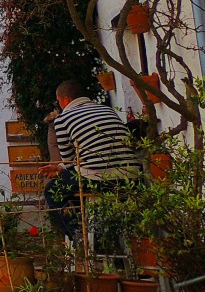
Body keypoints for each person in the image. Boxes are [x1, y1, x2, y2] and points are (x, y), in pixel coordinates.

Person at [38, 79, 142, 239]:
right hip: (132, 176)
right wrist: (61, 168)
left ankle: (78, 234)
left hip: (97, 178)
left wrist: (61, 168)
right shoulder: (107, 110)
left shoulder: (62, 120)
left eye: (59, 102)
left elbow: (69, 160)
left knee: (52, 191)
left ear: (65, 100)